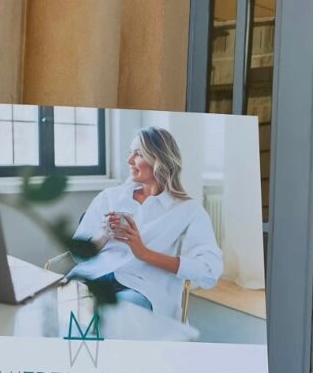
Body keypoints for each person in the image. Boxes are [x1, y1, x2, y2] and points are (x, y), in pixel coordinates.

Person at [68, 126, 223, 321]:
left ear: (159, 160)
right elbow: (77, 255)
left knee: (114, 316)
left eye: (138, 154)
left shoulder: (189, 211)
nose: (129, 160)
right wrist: (104, 234)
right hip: (92, 275)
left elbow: (209, 271)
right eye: (130, 152)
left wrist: (144, 253)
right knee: (58, 302)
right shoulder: (110, 197)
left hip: (142, 288)